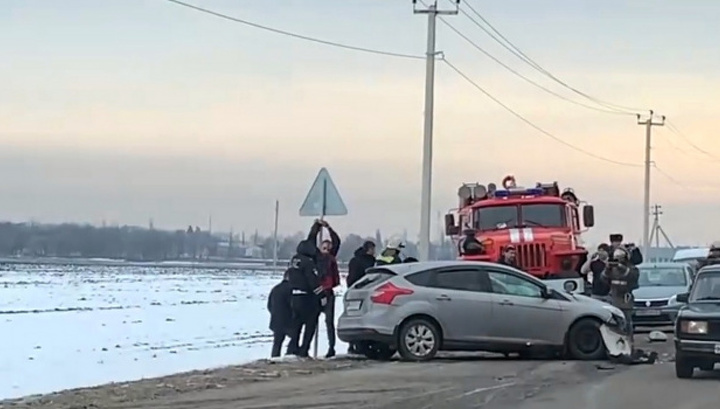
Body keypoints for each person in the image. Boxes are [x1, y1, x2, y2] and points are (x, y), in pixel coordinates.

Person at [286, 238, 325, 358]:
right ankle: (304, 350)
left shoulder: (293, 260)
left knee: (296, 325)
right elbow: (312, 280)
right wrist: (322, 295)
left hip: (294, 296)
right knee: (310, 325)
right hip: (307, 298)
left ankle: (292, 348)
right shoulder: (308, 262)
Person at [307, 219, 341, 358]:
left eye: (328, 247)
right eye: (324, 247)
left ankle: (331, 348)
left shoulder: (331, 258)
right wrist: (316, 226)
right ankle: (306, 348)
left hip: (328, 293)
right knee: (311, 321)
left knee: (329, 322)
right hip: (316, 293)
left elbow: (337, 241)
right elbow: (310, 240)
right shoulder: (316, 257)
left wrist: (328, 227)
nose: (326, 249)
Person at [600, 246, 639, 340]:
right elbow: (603, 279)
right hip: (613, 298)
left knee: (627, 323)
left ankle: (629, 341)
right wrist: (607, 269)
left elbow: (632, 277)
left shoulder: (632, 268)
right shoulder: (612, 269)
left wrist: (620, 267)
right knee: (614, 323)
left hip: (625, 299)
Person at [267, 270, 293, 358]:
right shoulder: (291, 289)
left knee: (277, 343)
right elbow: (293, 305)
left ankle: (274, 358)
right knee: (294, 338)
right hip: (289, 320)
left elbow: (269, 305)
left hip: (276, 319)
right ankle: (290, 354)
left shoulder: (275, 289)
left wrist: (274, 313)